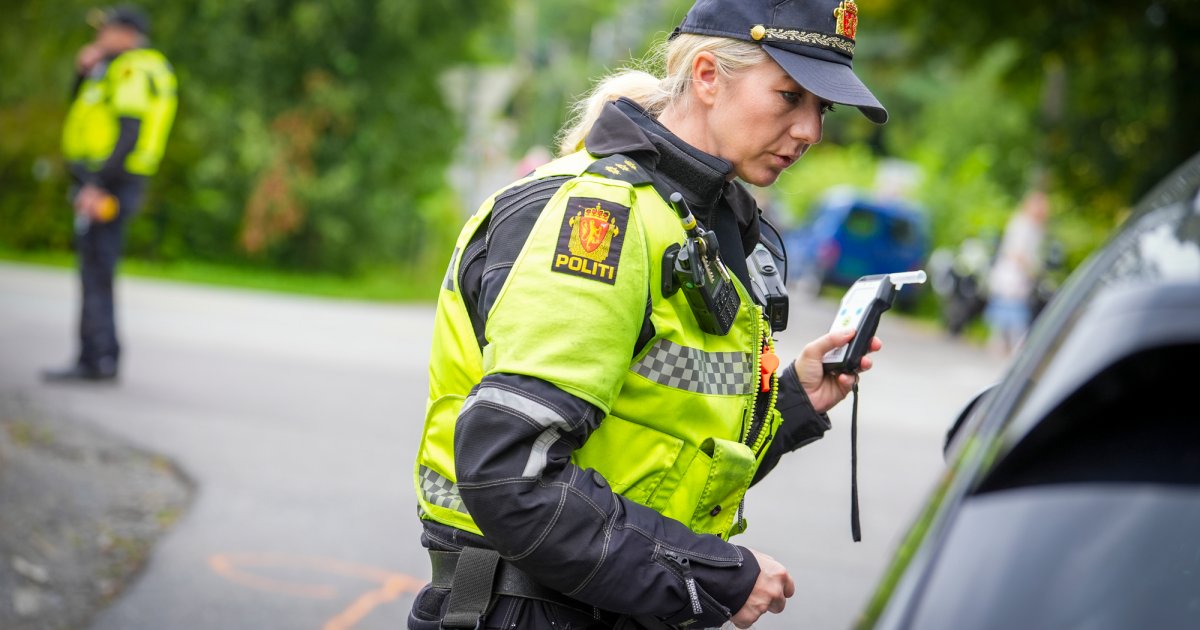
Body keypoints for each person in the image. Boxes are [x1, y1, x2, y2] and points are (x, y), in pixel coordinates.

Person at [409, 0, 887, 628]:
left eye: (820, 108)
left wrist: (794, 399)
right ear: (710, 76)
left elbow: (666, 456)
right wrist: (710, 574)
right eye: (790, 96)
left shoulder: (692, 218)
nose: (810, 132)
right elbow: (510, 474)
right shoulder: (601, 217)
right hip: (529, 611)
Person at [43, 5, 177, 382]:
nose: (100, 37)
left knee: (97, 268)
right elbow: (84, 113)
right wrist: (83, 72)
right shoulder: (112, 68)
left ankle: (98, 359)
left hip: (111, 183)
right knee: (95, 267)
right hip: (102, 181)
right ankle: (99, 355)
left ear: (128, 34)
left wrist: (97, 185)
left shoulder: (134, 69)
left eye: (108, 30)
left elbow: (129, 131)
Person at [985, 188, 1049, 356]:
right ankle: (1013, 349)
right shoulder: (1023, 224)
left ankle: (1005, 347)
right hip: (1012, 276)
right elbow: (1015, 251)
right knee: (1013, 315)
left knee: (1009, 314)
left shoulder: (1034, 227)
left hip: (1017, 278)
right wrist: (1030, 269)